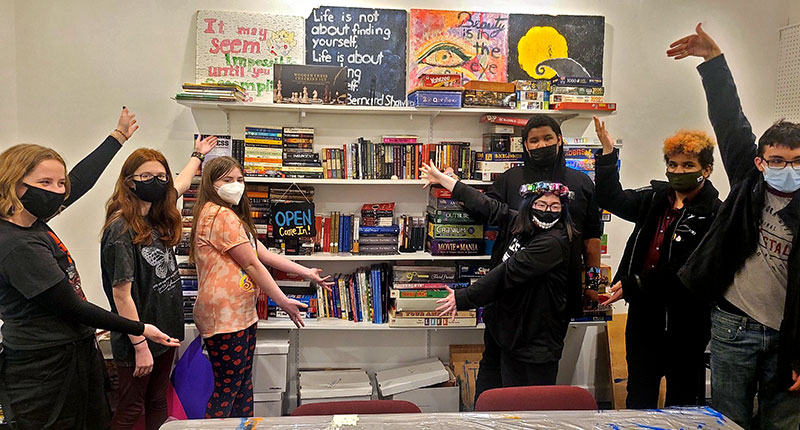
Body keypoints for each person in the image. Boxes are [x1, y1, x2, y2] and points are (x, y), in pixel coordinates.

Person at [0, 108, 181, 430]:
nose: (57, 191)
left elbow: (79, 182)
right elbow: (72, 306)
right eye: (45, 182)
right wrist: (140, 330)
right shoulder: (16, 243)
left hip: (71, 349)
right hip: (44, 363)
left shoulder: (32, 222)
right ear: (13, 184)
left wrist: (117, 138)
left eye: (60, 183)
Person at [668, 23, 800, 429]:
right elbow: (730, 119)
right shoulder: (747, 180)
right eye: (777, 161)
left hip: (789, 338)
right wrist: (713, 60)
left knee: (783, 423)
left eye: (797, 161)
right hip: (733, 325)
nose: (787, 169)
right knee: (728, 422)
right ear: (760, 162)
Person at [189, 156, 333, 418]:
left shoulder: (230, 215)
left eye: (240, 179)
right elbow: (253, 265)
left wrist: (306, 272)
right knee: (228, 389)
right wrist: (283, 301)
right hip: (224, 317)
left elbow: (263, 254)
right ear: (211, 183)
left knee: (242, 385)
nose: (236, 185)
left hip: (241, 313)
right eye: (227, 180)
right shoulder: (219, 215)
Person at [593, 117, 721, 408]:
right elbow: (610, 198)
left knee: (683, 401)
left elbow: (687, 270)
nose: (678, 171)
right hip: (644, 315)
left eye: (688, 165)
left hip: (687, 320)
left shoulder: (715, 213)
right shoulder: (655, 199)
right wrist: (608, 153)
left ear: (706, 170)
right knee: (639, 393)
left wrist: (635, 283)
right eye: (673, 164)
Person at [422, 162, 572, 402]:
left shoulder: (553, 242)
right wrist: (445, 181)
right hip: (503, 331)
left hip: (533, 343)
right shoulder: (522, 223)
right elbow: (488, 206)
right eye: (541, 205)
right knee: (488, 398)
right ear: (530, 205)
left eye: (555, 206)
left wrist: (463, 297)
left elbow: (506, 273)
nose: (548, 211)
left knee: (522, 407)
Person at [100, 136, 218, 430]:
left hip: (166, 332)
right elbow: (121, 295)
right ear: (129, 182)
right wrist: (140, 344)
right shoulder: (121, 228)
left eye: (161, 176)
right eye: (145, 177)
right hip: (139, 337)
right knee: (130, 409)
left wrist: (197, 155)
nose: (155, 182)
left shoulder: (155, 214)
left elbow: (183, 183)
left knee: (157, 400)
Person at [486, 114, 603, 317]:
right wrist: (451, 183)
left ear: (559, 139)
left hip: (561, 290)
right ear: (525, 145)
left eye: (547, 138)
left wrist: (592, 285)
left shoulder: (582, 183)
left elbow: (592, 238)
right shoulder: (509, 180)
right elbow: (484, 209)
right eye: (534, 140)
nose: (542, 145)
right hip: (512, 287)